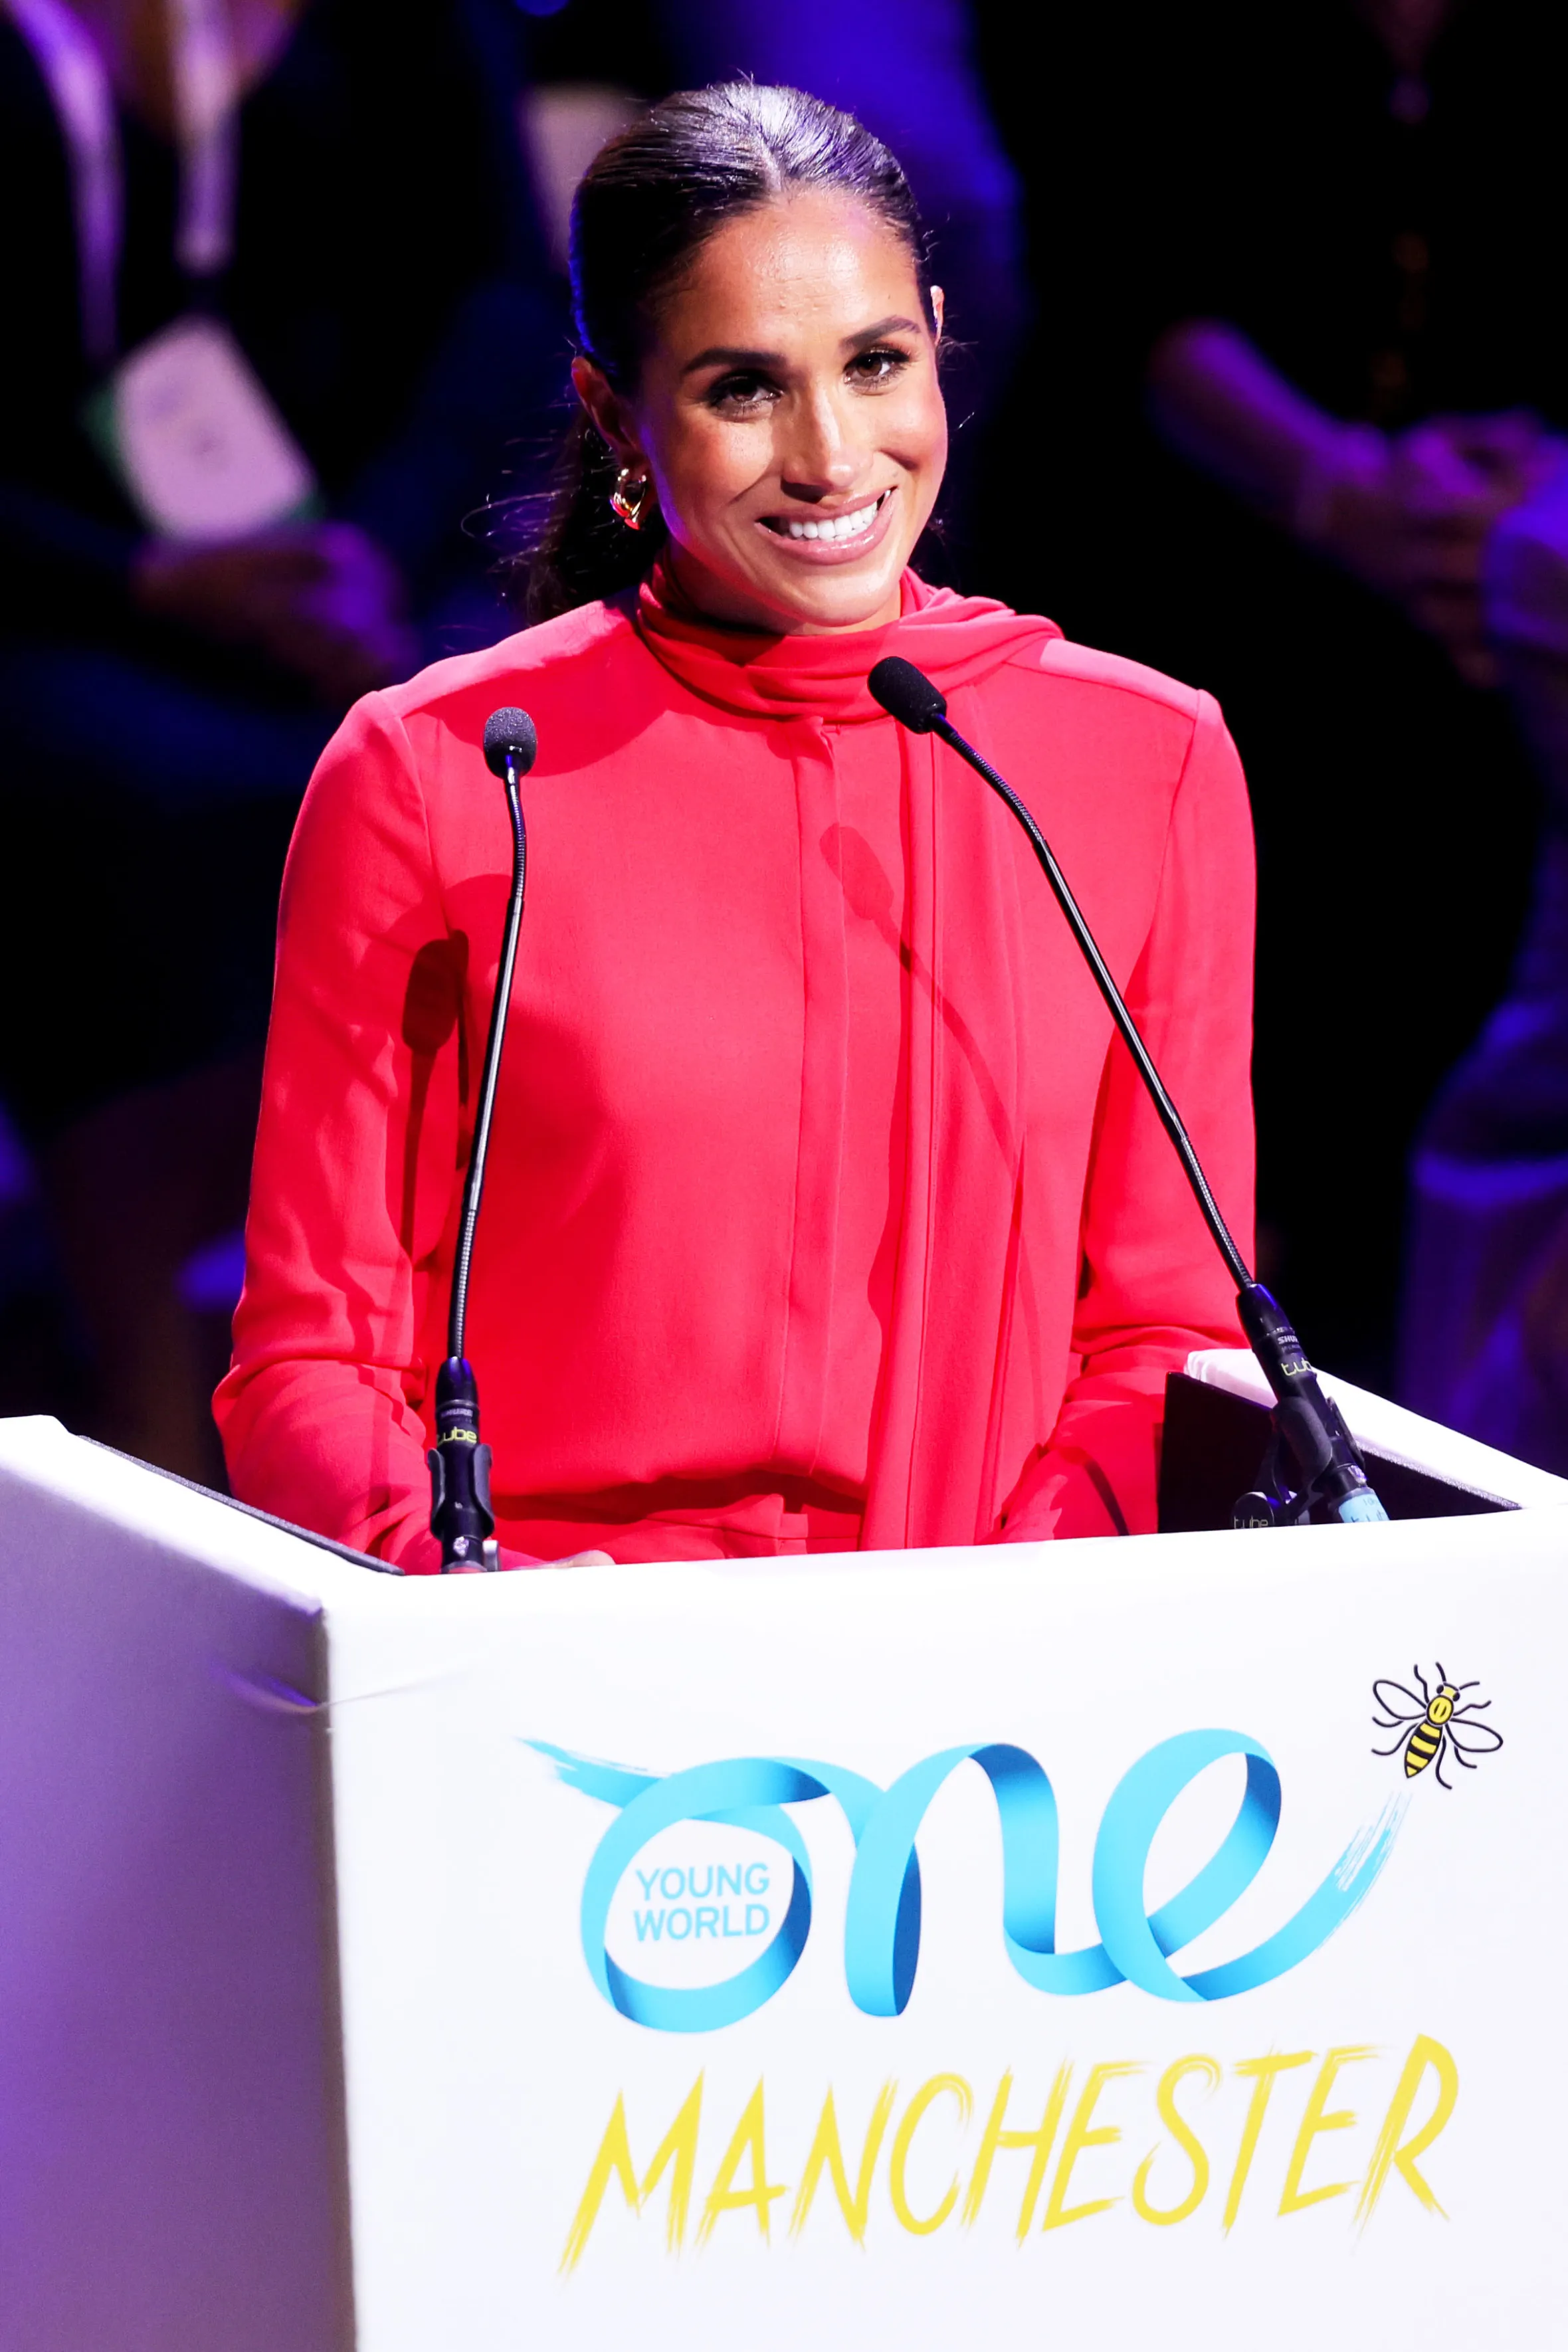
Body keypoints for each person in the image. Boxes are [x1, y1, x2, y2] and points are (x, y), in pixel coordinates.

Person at [216, 84, 1255, 1571]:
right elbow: (313, 1358)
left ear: (938, 341)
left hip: (993, 1671)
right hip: (533, 1674)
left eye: (877, 363)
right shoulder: (437, 771)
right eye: (744, 389)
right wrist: (465, 1605)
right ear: (610, 412)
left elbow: (1167, 1325)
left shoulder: (1142, 758)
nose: (834, 456)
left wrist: (1024, 1608)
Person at [0, 0, 563, 1479]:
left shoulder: (408, 30)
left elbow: (505, 293)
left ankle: (456, 1369)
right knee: (138, 805)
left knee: (498, 772)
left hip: (372, 564)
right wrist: (138, 577)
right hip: (75, 591)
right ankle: (146, 1395)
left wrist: (372, 551)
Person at [971, 0, 1567, 1387]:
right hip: (1177, 563)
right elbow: (1118, 265)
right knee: (1162, 1121)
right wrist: (1333, 489)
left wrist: (1520, 492)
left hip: (1467, 587)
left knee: (1414, 1080)